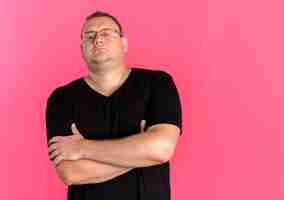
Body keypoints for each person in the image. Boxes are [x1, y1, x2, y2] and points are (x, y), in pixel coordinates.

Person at [45, 10, 182, 200]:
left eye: (106, 33)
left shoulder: (158, 83)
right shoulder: (61, 99)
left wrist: (82, 148)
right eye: (89, 36)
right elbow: (70, 173)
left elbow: (162, 148)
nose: (98, 40)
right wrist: (141, 153)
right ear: (81, 47)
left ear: (124, 43)